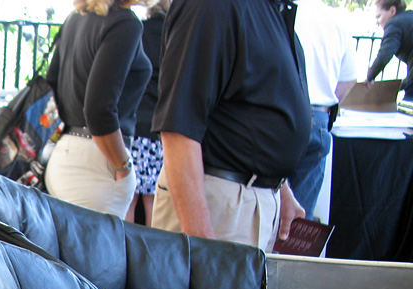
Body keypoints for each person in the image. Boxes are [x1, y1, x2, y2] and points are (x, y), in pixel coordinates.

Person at [151, 0, 309, 250]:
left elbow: (253, 106)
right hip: (218, 202)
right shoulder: (213, 5)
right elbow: (178, 129)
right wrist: (202, 247)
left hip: (250, 201)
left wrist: (281, 188)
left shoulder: (269, 8)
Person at [43, 0, 151, 218]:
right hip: (97, 165)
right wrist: (123, 166)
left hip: (63, 154)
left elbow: (52, 79)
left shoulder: (75, 18)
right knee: (97, 251)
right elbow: (98, 110)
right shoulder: (124, 23)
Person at [289, 0, 357, 217]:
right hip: (318, 115)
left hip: (281, 114)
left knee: (262, 208)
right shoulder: (336, 20)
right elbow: (348, 79)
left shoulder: (277, 12)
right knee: (300, 218)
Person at [126, 0, 170, 226]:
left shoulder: (139, 31)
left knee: (129, 198)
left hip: (134, 124)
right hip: (158, 126)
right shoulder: (174, 36)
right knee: (152, 200)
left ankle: (126, 252)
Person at [366, 0, 413, 102]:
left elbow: (385, 55)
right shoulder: (409, 17)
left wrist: (369, 78)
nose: (377, 21)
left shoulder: (394, 24)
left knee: (408, 104)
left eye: (379, 16)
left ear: (392, 10)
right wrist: (397, 86)